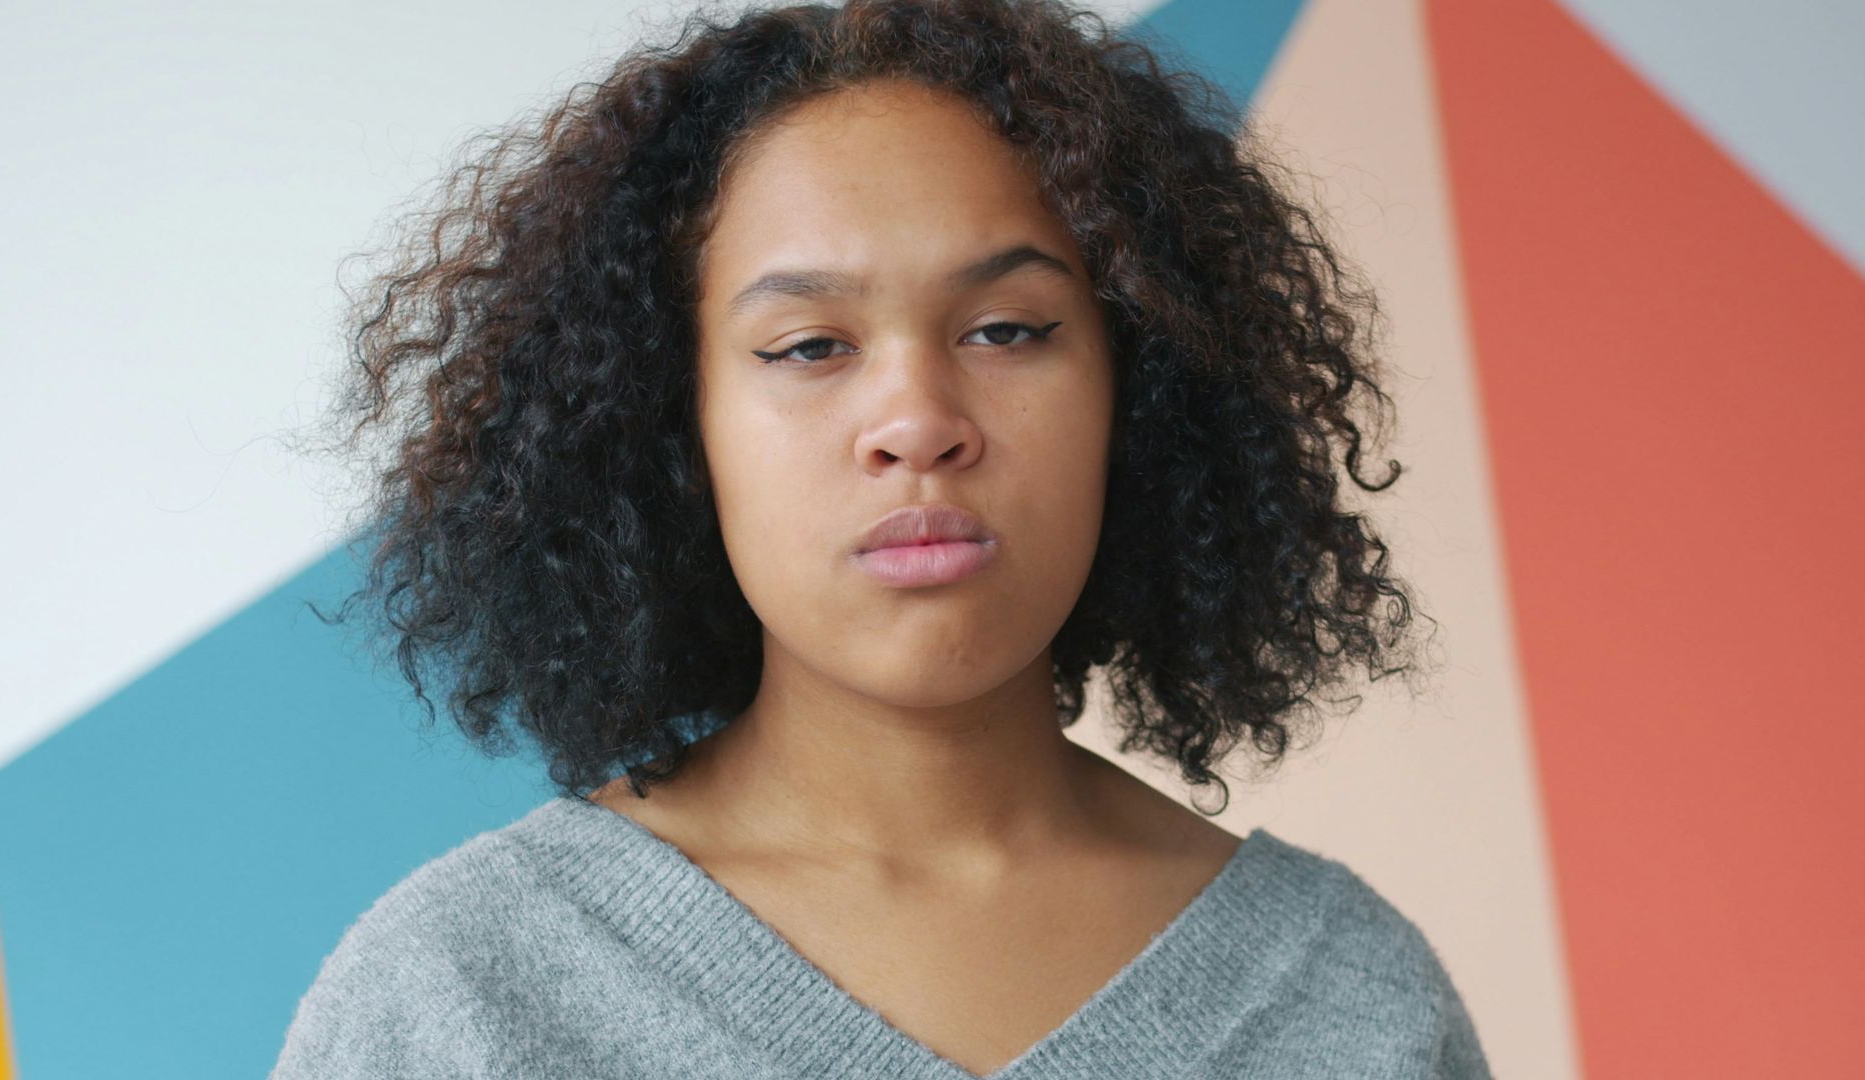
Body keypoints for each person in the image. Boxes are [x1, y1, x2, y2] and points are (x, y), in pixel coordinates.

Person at [274, 0, 1491, 1076]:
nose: (919, 422)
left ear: (1148, 390)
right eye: (810, 346)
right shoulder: (457, 1003)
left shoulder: (1359, 1012)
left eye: (1009, 330)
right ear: (668, 421)